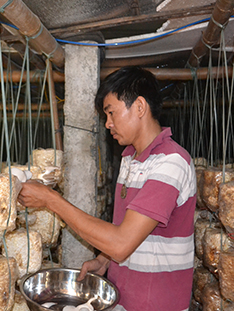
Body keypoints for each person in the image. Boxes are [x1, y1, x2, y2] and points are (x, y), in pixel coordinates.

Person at [18, 66, 196, 311]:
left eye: (111, 113)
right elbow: (131, 230)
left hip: (156, 303)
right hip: (125, 298)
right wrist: (105, 259)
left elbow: (122, 243)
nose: (108, 124)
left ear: (140, 107)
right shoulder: (130, 158)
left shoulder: (170, 162)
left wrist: (51, 200)